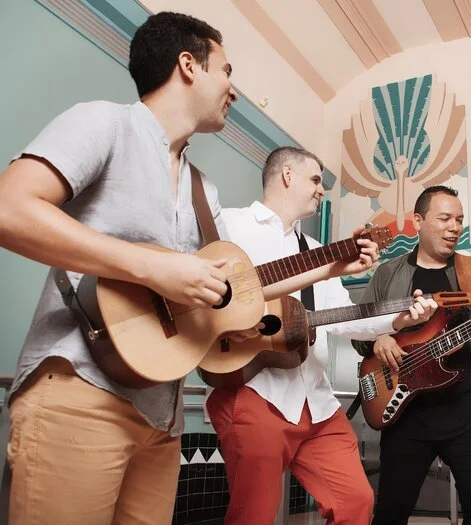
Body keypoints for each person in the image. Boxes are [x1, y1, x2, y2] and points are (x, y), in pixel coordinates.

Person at [0, 13, 361, 525]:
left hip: (161, 417)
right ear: (188, 65)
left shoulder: (203, 190)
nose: (233, 89)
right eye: (226, 70)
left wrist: (326, 268)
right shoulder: (105, 122)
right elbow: (10, 209)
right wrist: (152, 268)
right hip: (79, 391)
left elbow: (232, 288)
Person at [205, 146, 437, 525]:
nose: (321, 190)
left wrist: (399, 321)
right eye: (315, 179)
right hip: (253, 392)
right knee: (254, 516)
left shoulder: (314, 250)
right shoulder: (229, 226)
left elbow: (345, 317)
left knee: (356, 503)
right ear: (287, 176)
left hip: (316, 403)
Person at [352, 186, 471, 524]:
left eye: (459, 219)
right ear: (418, 220)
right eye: (444, 218)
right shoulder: (388, 273)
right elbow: (360, 329)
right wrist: (378, 338)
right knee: (390, 511)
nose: (454, 227)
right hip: (406, 410)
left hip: (468, 408)